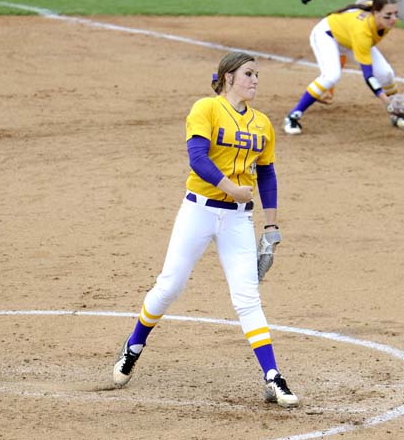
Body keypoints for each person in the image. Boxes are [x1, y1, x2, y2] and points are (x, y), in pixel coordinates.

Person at [112, 51, 299, 408]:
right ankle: (134, 346)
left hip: (238, 219)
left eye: (257, 74)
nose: (255, 80)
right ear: (228, 77)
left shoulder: (262, 123)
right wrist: (231, 188)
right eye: (249, 73)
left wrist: (271, 225)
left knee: (247, 298)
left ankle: (273, 377)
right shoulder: (206, 109)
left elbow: (268, 174)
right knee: (170, 287)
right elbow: (197, 158)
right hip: (199, 211)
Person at [283, 0, 404, 135]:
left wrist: (395, 106)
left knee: (386, 73)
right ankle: (293, 116)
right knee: (331, 76)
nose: (393, 19)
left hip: (349, 38)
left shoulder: (381, 13)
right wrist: (388, 103)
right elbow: (368, 76)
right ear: (375, 13)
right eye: (388, 15)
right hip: (327, 35)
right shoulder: (362, 31)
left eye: (396, 14)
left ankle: (397, 113)